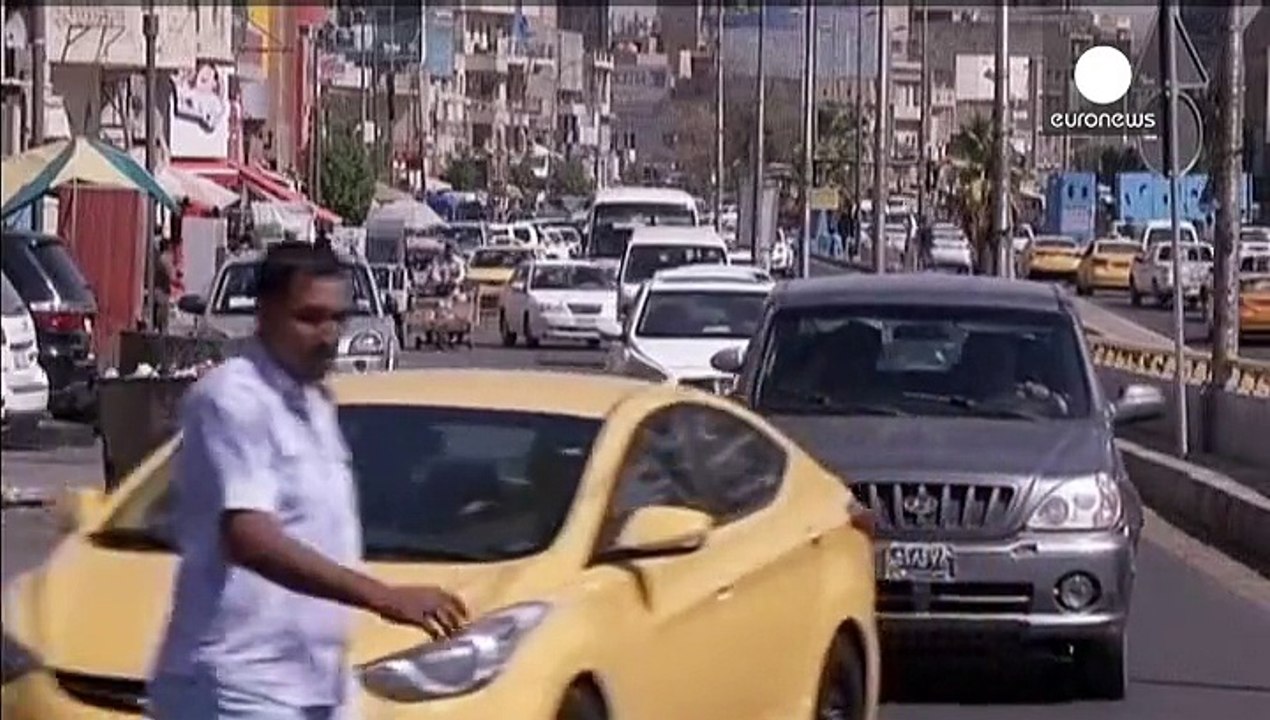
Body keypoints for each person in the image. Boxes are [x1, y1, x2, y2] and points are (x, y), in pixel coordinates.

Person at [148, 242, 467, 720]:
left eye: (338, 318)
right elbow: (250, 538)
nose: (328, 334)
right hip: (236, 688)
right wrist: (384, 597)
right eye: (310, 317)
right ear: (267, 313)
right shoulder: (232, 399)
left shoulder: (315, 405)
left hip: (316, 685)